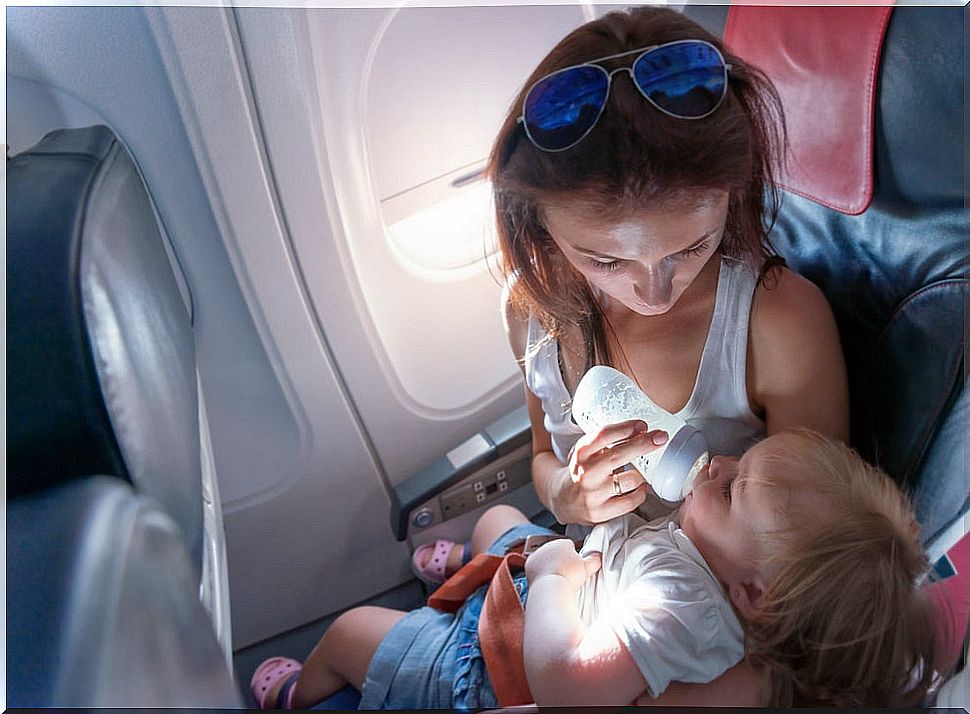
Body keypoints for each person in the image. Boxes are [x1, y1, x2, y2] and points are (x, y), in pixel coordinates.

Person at [250, 430, 938, 709]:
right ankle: (465, 568)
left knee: (350, 631)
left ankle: (299, 695)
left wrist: (553, 575)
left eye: (733, 489)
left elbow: (565, 681)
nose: (720, 464)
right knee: (497, 525)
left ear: (753, 593)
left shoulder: (678, 608)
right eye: (743, 457)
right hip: (556, 586)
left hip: (499, 666)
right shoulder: (718, 562)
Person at [491, 5, 848, 533]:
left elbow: (814, 549)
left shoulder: (779, 324)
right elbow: (545, 452)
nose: (655, 293)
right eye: (606, 260)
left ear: (734, 193)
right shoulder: (532, 307)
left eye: (690, 248)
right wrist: (565, 496)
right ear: (540, 229)